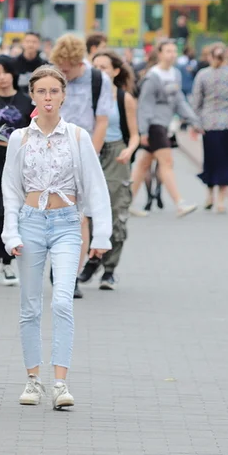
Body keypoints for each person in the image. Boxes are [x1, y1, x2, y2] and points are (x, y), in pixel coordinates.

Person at [1, 65, 112, 410]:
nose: (48, 98)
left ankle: (60, 382)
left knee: (62, 300)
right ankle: (33, 379)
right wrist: (10, 231)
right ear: (32, 96)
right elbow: (10, 189)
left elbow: (96, 186)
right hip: (31, 222)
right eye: (41, 92)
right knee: (30, 305)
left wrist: (101, 234)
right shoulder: (20, 138)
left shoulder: (77, 137)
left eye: (54, 92)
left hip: (66, 223)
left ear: (63, 96)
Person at [49, 34, 112, 299]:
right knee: (51, 213)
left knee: (79, 216)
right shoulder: (51, 77)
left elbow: (102, 121)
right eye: (59, 67)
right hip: (51, 153)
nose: (64, 73)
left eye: (68, 68)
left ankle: (70, 275)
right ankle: (56, 264)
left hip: (83, 151)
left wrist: (91, 155)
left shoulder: (98, 80)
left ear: (78, 61)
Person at [80, 50, 139, 290]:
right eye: (96, 67)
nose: (100, 71)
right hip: (91, 151)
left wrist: (129, 150)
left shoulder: (124, 98)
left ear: (115, 71)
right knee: (88, 211)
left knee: (115, 210)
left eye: (105, 67)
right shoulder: (87, 94)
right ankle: (93, 260)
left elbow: (135, 135)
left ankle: (110, 269)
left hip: (116, 154)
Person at [130, 40, 202, 217]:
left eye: (174, 51)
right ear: (160, 54)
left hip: (165, 123)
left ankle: (125, 203)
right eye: (168, 51)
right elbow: (145, 105)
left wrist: (193, 120)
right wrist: (144, 130)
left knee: (143, 164)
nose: (172, 54)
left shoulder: (175, 74)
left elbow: (179, 101)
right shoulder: (152, 77)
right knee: (167, 162)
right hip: (154, 125)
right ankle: (179, 203)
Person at [0, 55, 33, 287]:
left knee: (12, 209)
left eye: (5, 72)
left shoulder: (25, 101)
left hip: (17, 162)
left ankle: (9, 261)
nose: (1, 77)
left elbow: (32, 132)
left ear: (13, 73)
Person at [190, 43, 228, 213]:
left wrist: (194, 123)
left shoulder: (203, 75)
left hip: (208, 123)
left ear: (210, 57)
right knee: (227, 161)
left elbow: (196, 101)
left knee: (211, 160)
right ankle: (221, 200)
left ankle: (209, 195)